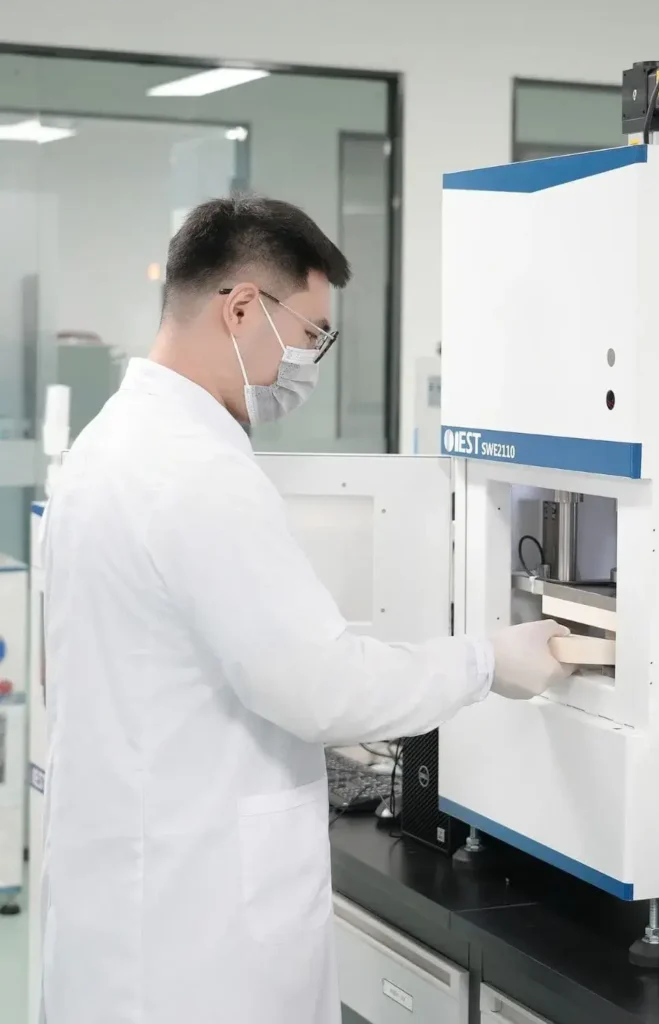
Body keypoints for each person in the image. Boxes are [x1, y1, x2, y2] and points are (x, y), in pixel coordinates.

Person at [39, 196, 570, 1024]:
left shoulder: (109, 446)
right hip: (195, 935)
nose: (309, 362)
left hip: (126, 901)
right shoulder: (197, 473)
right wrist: (488, 660)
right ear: (241, 308)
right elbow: (322, 689)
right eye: (312, 333)